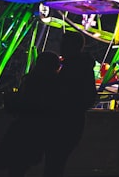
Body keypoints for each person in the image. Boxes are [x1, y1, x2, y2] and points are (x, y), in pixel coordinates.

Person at [0, 52, 61, 177]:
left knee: (17, 164)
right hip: (40, 127)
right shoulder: (54, 83)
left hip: (24, 125)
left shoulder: (31, 79)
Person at [44, 33, 97, 177]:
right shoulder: (81, 67)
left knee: (54, 162)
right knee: (57, 162)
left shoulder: (73, 68)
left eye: (64, 44)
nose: (61, 47)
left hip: (64, 120)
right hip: (72, 120)